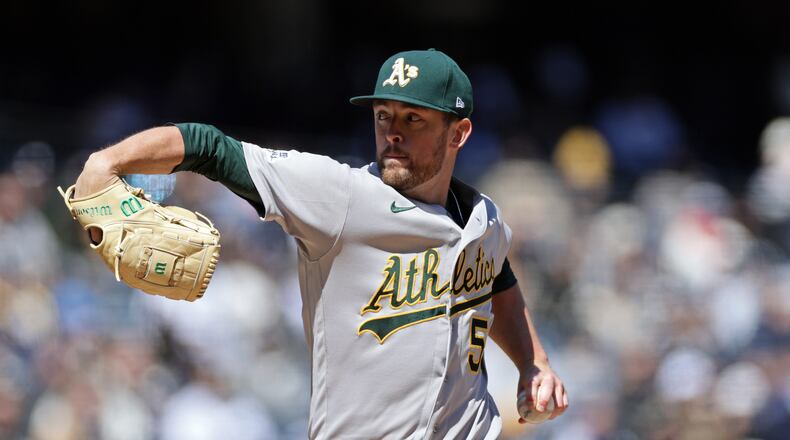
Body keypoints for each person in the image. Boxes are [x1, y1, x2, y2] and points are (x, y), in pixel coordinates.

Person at [74, 49, 568, 439]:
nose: (392, 132)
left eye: (413, 120)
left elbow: (496, 276)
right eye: (383, 116)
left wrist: (534, 362)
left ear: (459, 133)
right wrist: (107, 162)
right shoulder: (340, 196)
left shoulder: (485, 219)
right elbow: (209, 146)